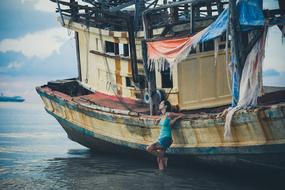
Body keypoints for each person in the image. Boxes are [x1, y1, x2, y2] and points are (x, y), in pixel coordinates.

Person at [146, 100, 183, 170]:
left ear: (165, 106)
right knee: (159, 160)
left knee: (149, 148)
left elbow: (182, 115)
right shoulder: (161, 116)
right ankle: (162, 175)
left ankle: (164, 158)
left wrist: (175, 119)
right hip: (161, 138)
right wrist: (157, 120)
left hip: (166, 138)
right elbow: (157, 123)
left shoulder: (169, 114)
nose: (159, 104)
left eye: (161, 103)